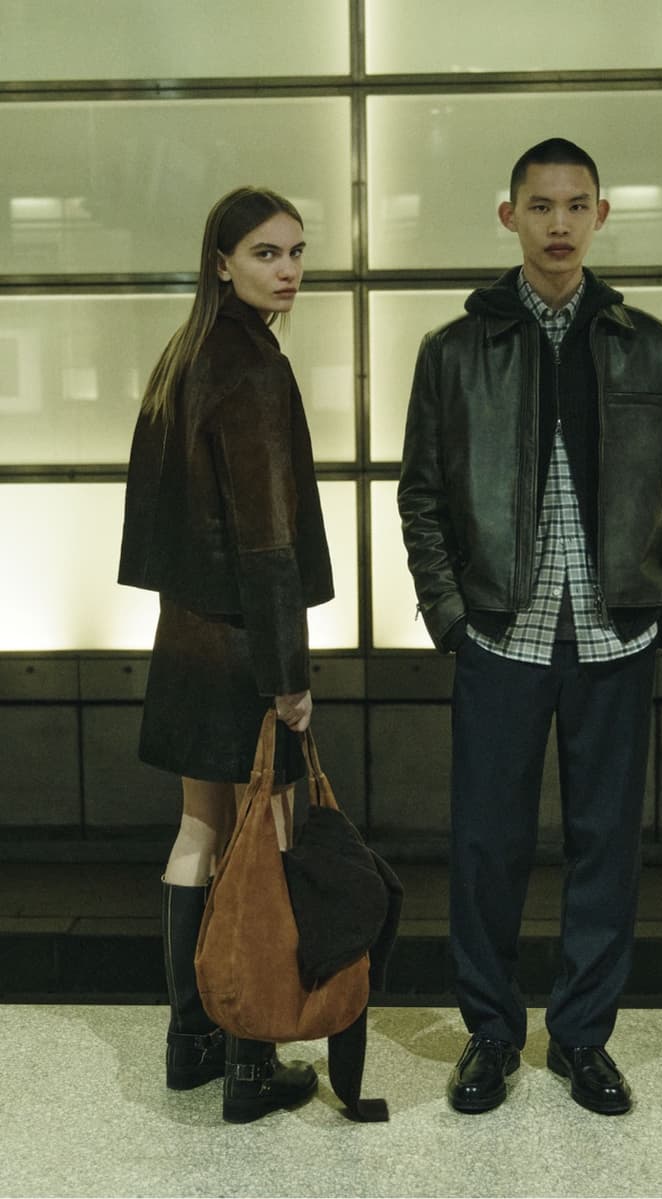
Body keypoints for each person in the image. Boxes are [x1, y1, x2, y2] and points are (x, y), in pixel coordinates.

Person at [398, 138, 662, 1116]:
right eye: (540, 205)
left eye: (575, 205)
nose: (558, 222)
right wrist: (450, 616)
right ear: (509, 216)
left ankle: (579, 1038)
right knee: (486, 846)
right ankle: (489, 1034)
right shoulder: (454, 349)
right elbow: (422, 496)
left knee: (604, 843)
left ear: (600, 215)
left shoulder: (644, 343)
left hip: (614, 634)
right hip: (501, 633)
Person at [118, 186, 334, 1123]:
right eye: (264, 253)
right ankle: (253, 1058)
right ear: (221, 262)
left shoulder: (184, 357)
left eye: (294, 252)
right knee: (269, 842)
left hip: (186, 636)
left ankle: (189, 1040)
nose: (287, 269)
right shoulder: (252, 368)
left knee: (199, 836)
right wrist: (289, 673)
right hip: (246, 644)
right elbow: (266, 540)